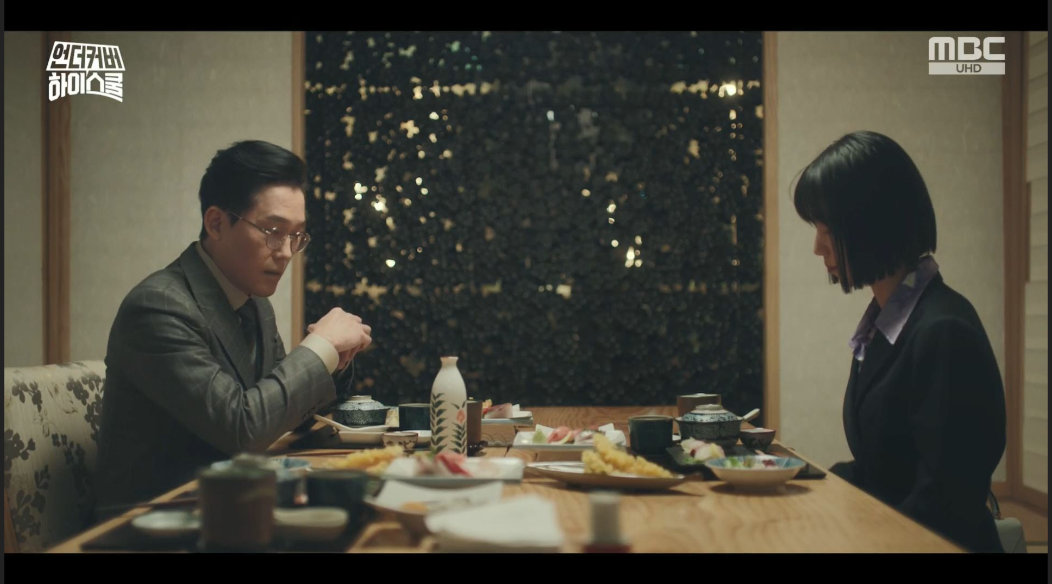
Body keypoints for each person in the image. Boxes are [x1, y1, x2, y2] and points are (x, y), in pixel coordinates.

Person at [94, 140, 371, 519]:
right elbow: (243, 427)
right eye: (273, 231)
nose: (286, 252)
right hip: (154, 519)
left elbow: (277, 413)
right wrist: (318, 346)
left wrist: (333, 359)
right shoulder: (158, 307)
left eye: (296, 236)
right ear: (216, 223)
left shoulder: (254, 304)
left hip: (233, 505)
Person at [793, 130, 1006, 553]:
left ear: (871, 226)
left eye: (827, 229)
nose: (817, 247)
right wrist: (797, 482)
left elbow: (945, 502)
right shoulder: (885, 324)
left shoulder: (944, 331)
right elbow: (883, 471)